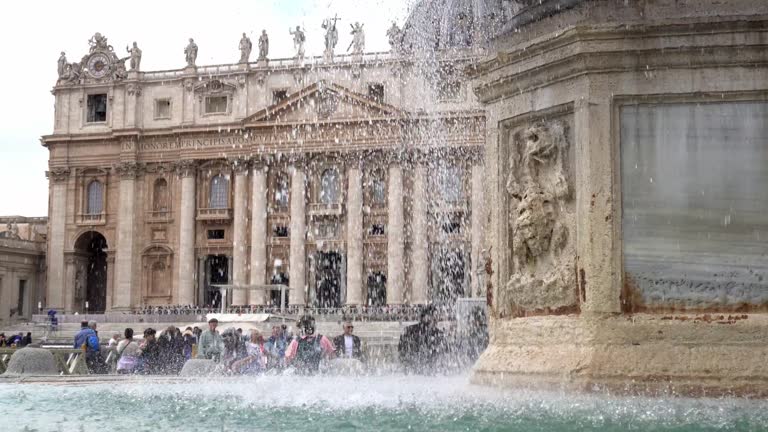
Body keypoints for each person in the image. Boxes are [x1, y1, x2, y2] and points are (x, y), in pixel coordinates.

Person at [398, 305, 445, 374]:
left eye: (437, 316)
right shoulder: (410, 330)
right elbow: (402, 350)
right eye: (433, 315)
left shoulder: (439, 333)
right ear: (424, 317)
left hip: (428, 370)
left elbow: (441, 354)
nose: (436, 318)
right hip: (414, 369)